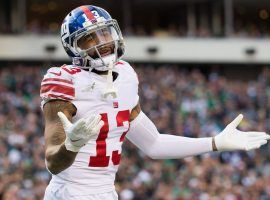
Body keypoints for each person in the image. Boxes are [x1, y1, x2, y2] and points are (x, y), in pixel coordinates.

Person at [40, 5, 270, 200]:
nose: (104, 43)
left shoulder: (125, 75)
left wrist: (214, 142)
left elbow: (154, 144)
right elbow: (53, 162)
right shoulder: (64, 80)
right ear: (74, 47)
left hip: (107, 192)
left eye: (105, 33)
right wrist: (72, 145)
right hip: (69, 193)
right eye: (90, 38)